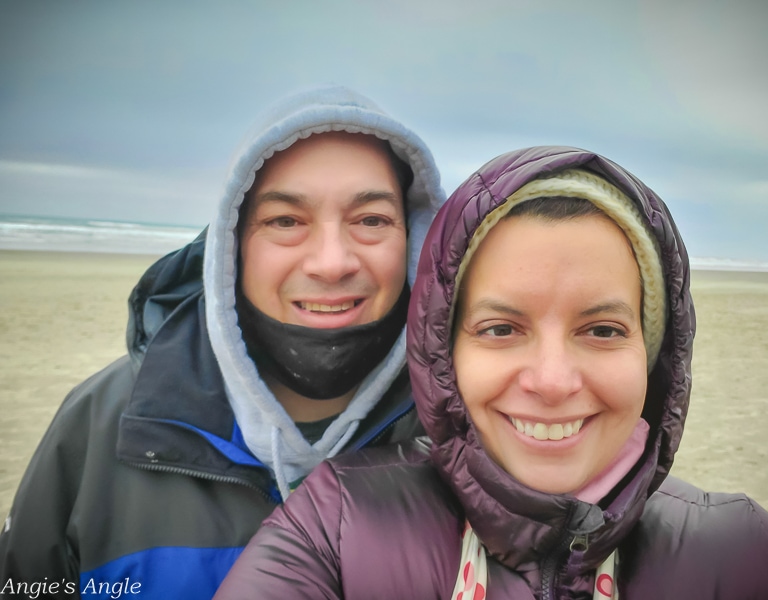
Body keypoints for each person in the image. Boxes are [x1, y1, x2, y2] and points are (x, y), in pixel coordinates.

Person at [214, 145, 768, 599]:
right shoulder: (339, 525)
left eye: (602, 330)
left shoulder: (745, 552)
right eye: (501, 329)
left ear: (651, 354)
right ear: (444, 353)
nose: (552, 380)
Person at [0, 86, 446, 598]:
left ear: (414, 240)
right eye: (285, 221)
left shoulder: (462, 431)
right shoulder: (101, 421)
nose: (332, 262)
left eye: (371, 220)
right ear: (232, 246)